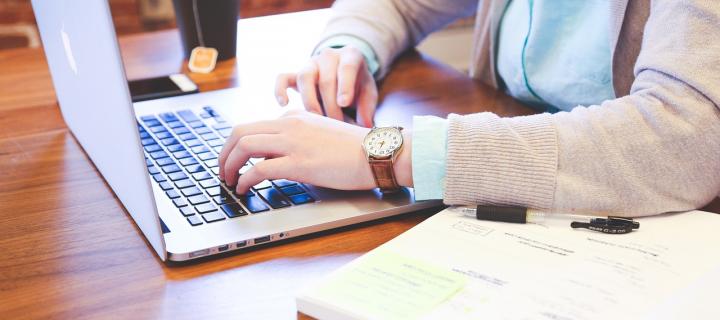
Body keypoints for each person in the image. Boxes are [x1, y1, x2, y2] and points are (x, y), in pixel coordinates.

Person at [218, 0, 720, 216]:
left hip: (647, 221)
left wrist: (386, 155)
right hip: (512, 199)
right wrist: (347, 50)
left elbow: (684, 137)